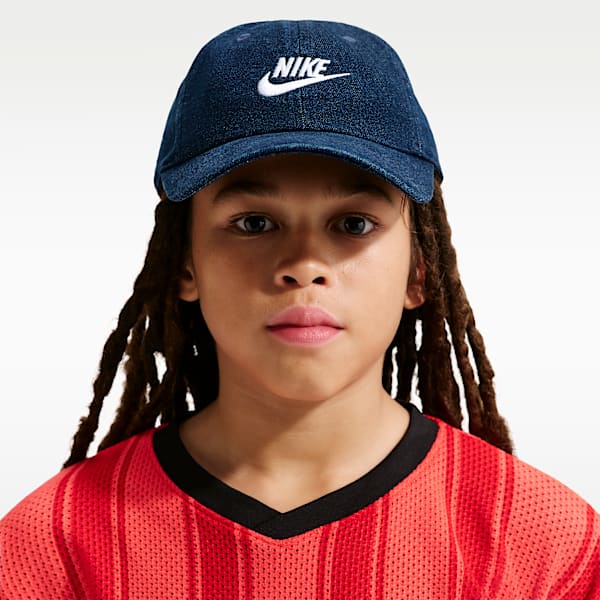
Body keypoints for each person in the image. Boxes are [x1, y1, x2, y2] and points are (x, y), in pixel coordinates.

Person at [0, 19, 597, 600]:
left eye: (353, 224)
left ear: (419, 270)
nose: (304, 264)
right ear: (185, 263)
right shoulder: (50, 548)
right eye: (254, 223)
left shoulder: (548, 546)